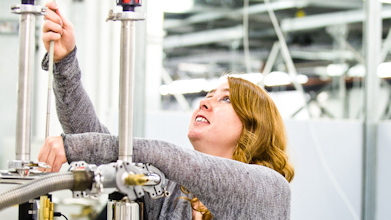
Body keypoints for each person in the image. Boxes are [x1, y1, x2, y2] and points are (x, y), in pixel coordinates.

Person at [37, 2, 293, 219]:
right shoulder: (174, 194)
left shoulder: (270, 189)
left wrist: (77, 146)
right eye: (207, 96)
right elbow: (108, 151)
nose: (204, 103)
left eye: (226, 100)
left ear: (253, 128)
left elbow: (174, 158)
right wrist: (64, 62)